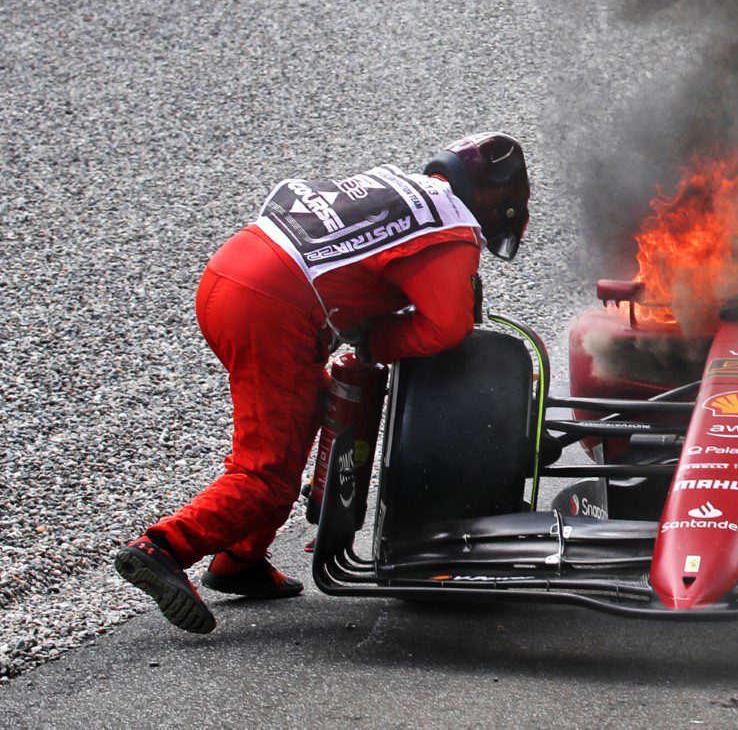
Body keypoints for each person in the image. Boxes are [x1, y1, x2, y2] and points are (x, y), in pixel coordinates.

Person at [112, 133, 531, 634]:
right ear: (494, 200)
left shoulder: (399, 187)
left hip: (227, 275)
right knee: (266, 474)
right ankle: (162, 548)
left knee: (306, 407)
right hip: (272, 309)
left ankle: (240, 562)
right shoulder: (449, 230)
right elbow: (448, 324)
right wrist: (378, 343)